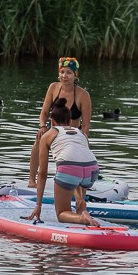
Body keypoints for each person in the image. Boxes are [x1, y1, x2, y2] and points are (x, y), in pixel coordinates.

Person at [23, 100, 100, 226]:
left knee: (62, 213)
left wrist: (38, 205)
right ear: (70, 122)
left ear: (52, 122)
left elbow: (42, 173)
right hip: (92, 171)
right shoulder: (82, 133)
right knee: (77, 171)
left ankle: (82, 218)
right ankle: (81, 204)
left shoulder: (48, 134)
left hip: (71, 170)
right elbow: (81, 157)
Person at [28, 56, 92, 188]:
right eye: (62, 72)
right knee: (39, 138)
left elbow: (85, 124)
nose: (65, 76)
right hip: (54, 132)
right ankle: (31, 179)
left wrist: (83, 139)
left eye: (69, 72)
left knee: (83, 145)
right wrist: (42, 127)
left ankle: (82, 179)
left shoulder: (83, 95)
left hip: (73, 134)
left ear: (75, 75)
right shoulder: (53, 88)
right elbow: (44, 113)